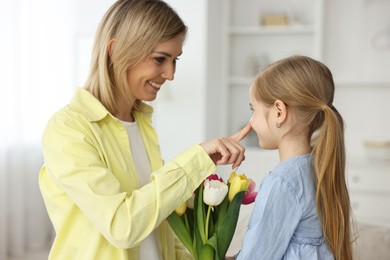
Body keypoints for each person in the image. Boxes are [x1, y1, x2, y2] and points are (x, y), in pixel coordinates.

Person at [38, 0, 251, 259]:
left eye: (175, 60)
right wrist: (196, 159)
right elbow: (122, 226)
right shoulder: (68, 129)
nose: (170, 74)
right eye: (160, 59)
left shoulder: (141, 124)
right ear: (115, 50)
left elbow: (157, 230)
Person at [230, 55, 353, 260]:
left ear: (279, 112)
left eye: (254, 110)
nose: (251, 121)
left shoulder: (282, 181)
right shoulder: (318, 166)